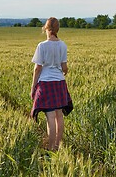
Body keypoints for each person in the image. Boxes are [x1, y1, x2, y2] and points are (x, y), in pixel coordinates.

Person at [30, 17, 73, 151]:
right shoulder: (63, 45)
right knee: (59, 115)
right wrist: (63, 72)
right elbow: (64, 67)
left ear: (46, 29)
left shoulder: (42, 46)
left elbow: (37, 68)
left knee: (50, 117)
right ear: (57, 29)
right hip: (59, 83)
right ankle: (57, 146)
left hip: (46, 84)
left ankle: (51, 148)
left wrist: (33, 87)